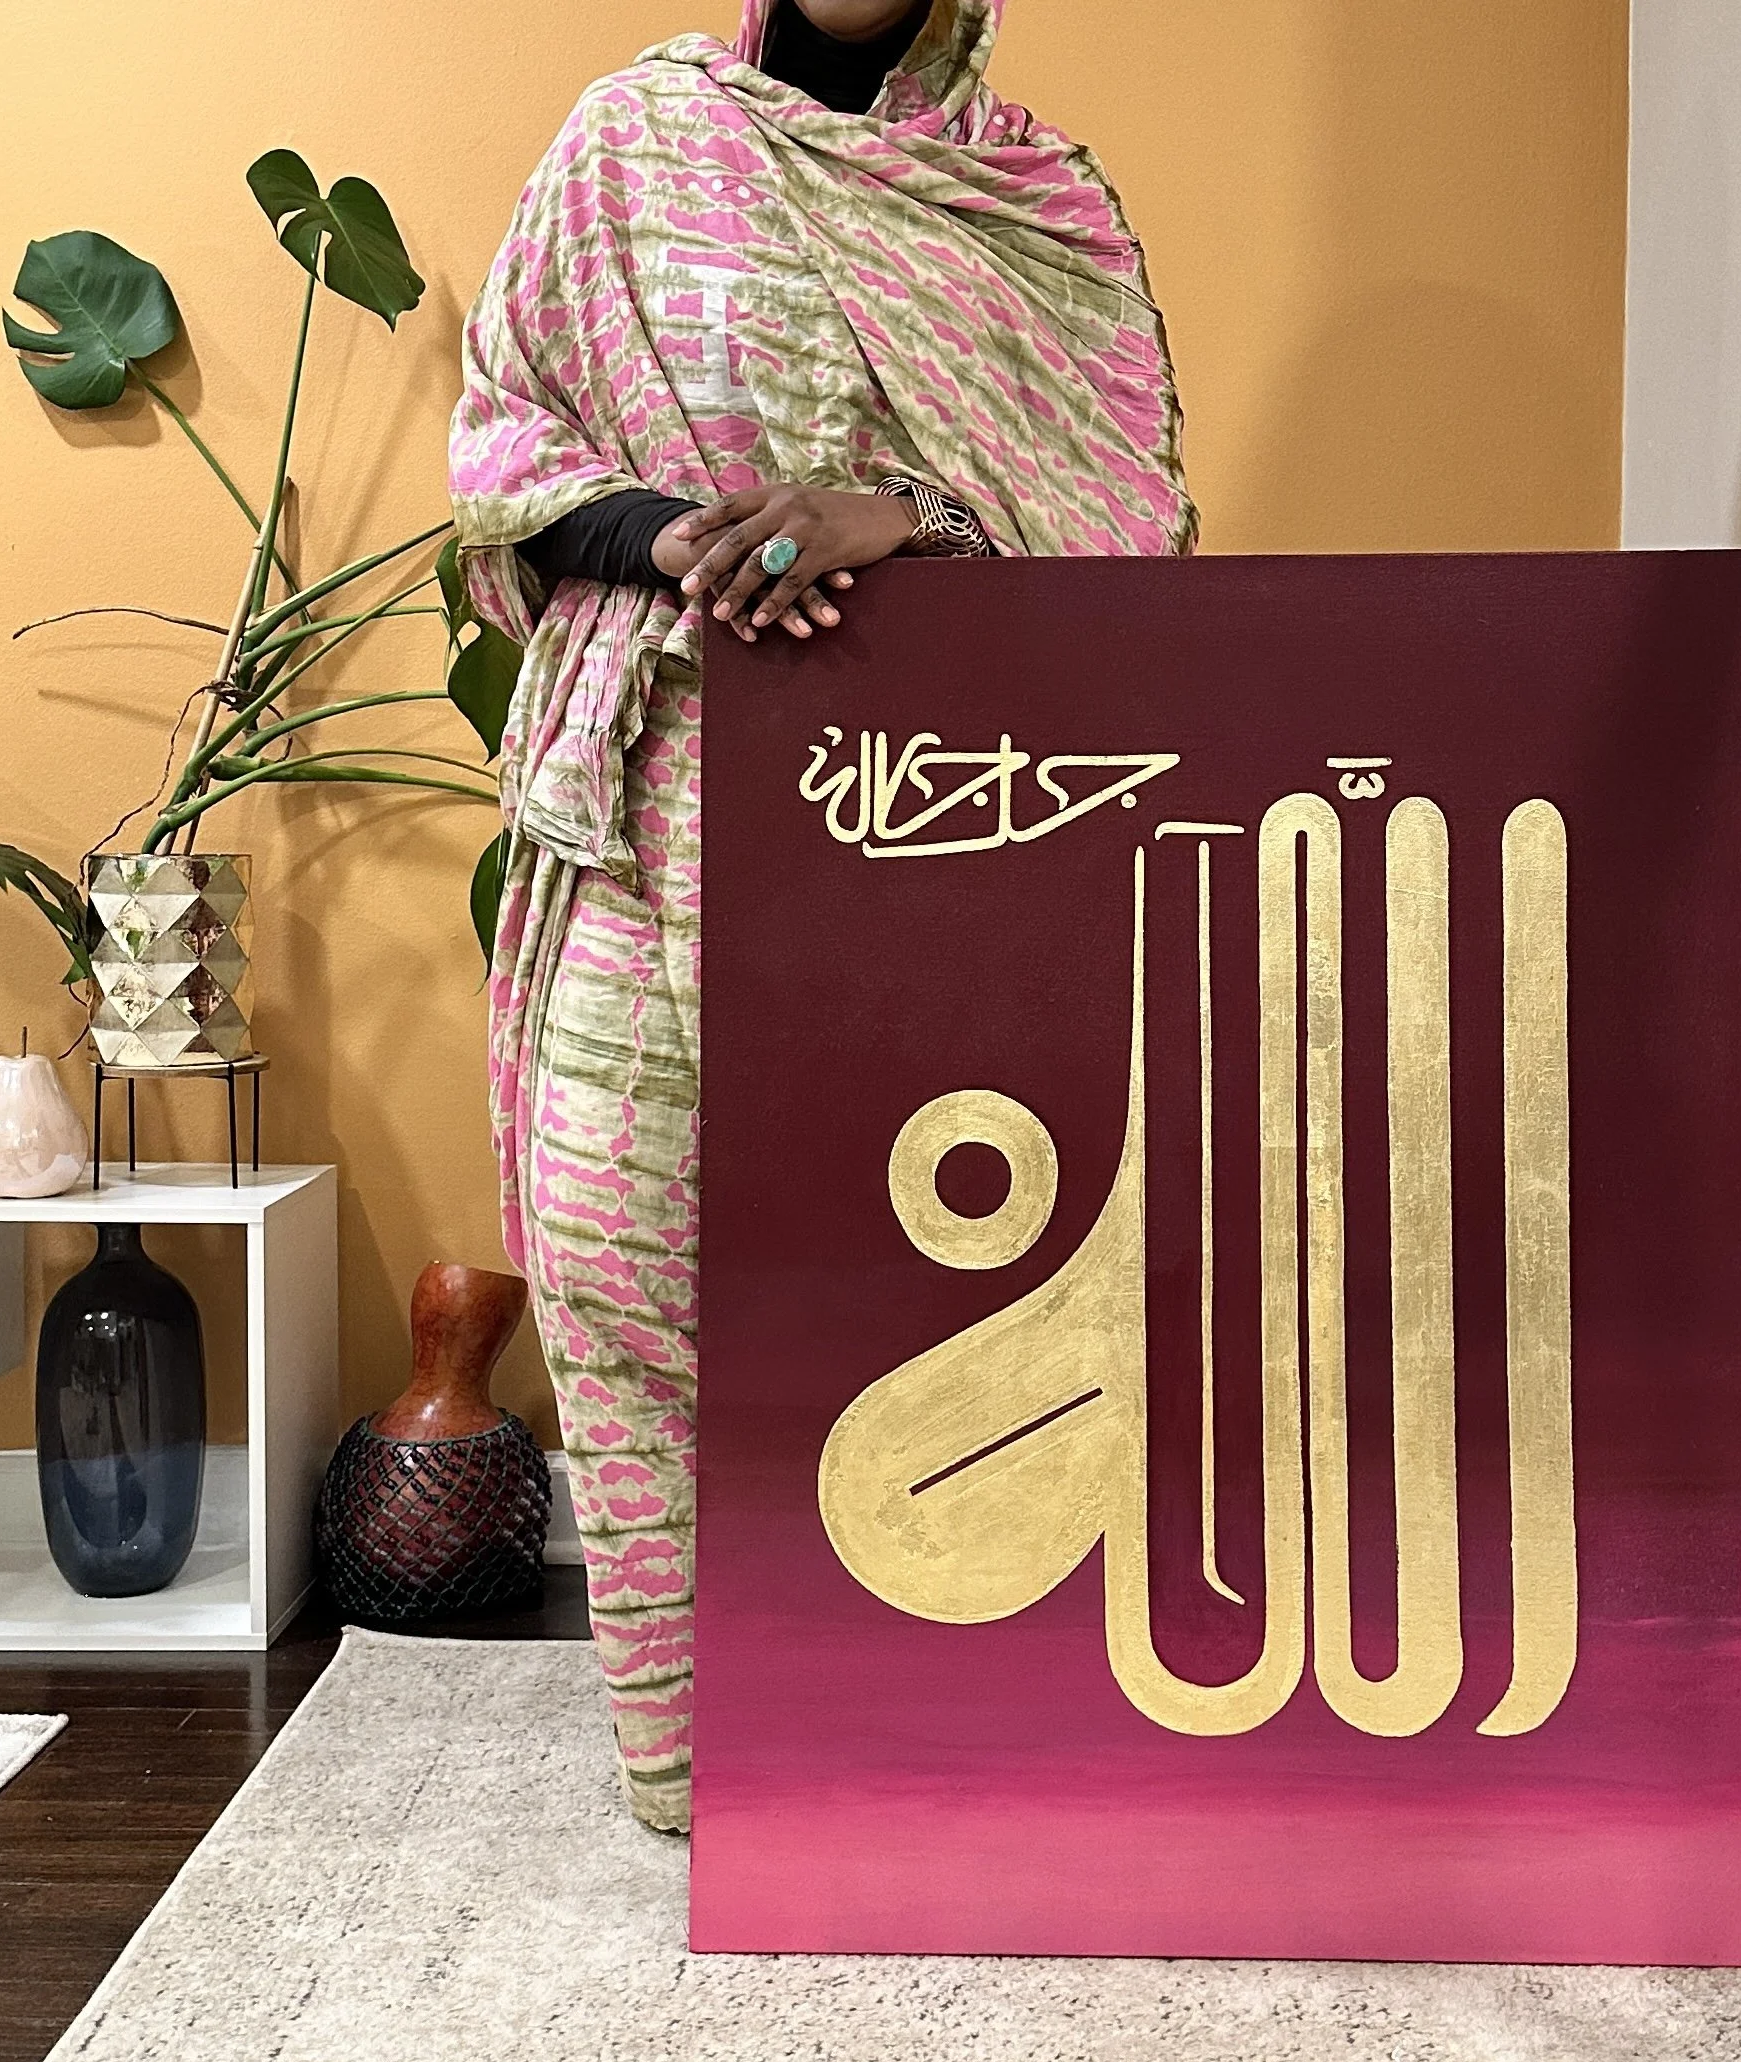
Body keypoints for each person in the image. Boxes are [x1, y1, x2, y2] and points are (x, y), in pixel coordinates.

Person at [449, 0, 1196, 1832]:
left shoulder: (1037, 205)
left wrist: (899, 518)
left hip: (927, 825)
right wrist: (675, 536)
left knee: (925, 1270)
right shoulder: (629, 140)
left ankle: (916, 1726)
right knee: (621, 1263)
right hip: (645, 790)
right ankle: (696, 1759)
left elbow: (1138, 530)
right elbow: (499, 456)